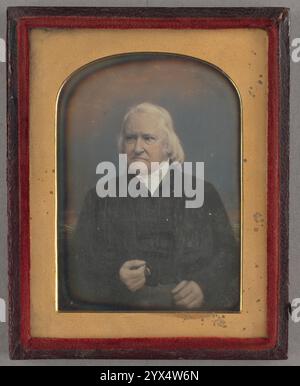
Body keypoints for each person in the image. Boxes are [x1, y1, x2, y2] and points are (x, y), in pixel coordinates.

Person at [66, 102, 240, 311]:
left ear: (168, 146)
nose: (138, 148)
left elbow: (229, 254)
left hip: (189, 316)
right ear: (123, 145)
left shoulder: (203, 193)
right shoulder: (98, 197)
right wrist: (115, 273)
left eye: (148, 138)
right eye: (131, 138)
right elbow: (79, 261)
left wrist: (204, 285)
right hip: (125, 314)